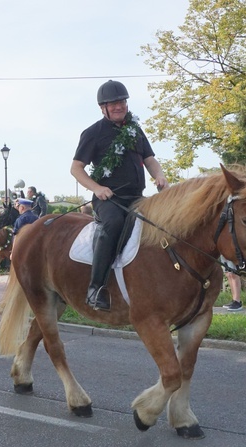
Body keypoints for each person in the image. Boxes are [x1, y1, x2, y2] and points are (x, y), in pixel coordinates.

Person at [70, 79, 168, 311]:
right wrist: (96, 188)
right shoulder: (93, 133)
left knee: (161, 222)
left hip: (137, 197)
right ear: (102, 107)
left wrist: (159, 176)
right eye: (112, 103)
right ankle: (96, 288)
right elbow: (76, 168)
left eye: (122, 102)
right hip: (109, 199)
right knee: (112, 224)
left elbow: (149, 159)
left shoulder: (135, 129)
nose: (118, 106)